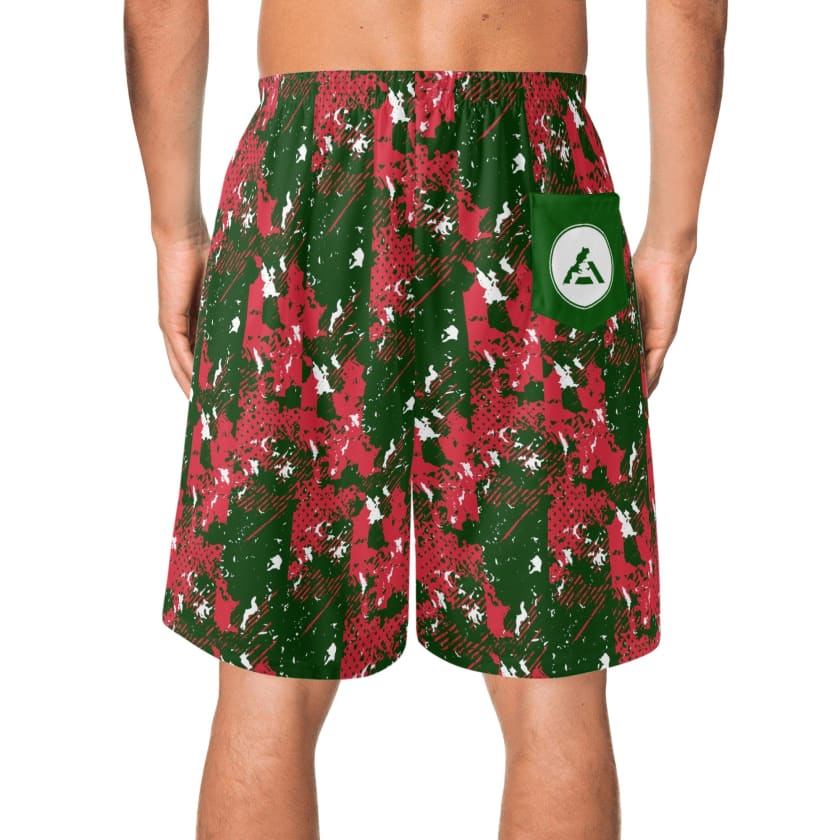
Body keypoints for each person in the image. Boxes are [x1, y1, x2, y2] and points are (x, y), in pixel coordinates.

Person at [125, 1, 726, 837]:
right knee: (554, 687)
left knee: (268, 675)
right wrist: (670, 240)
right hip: (540, 168)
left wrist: (174, 229)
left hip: (310, 161)